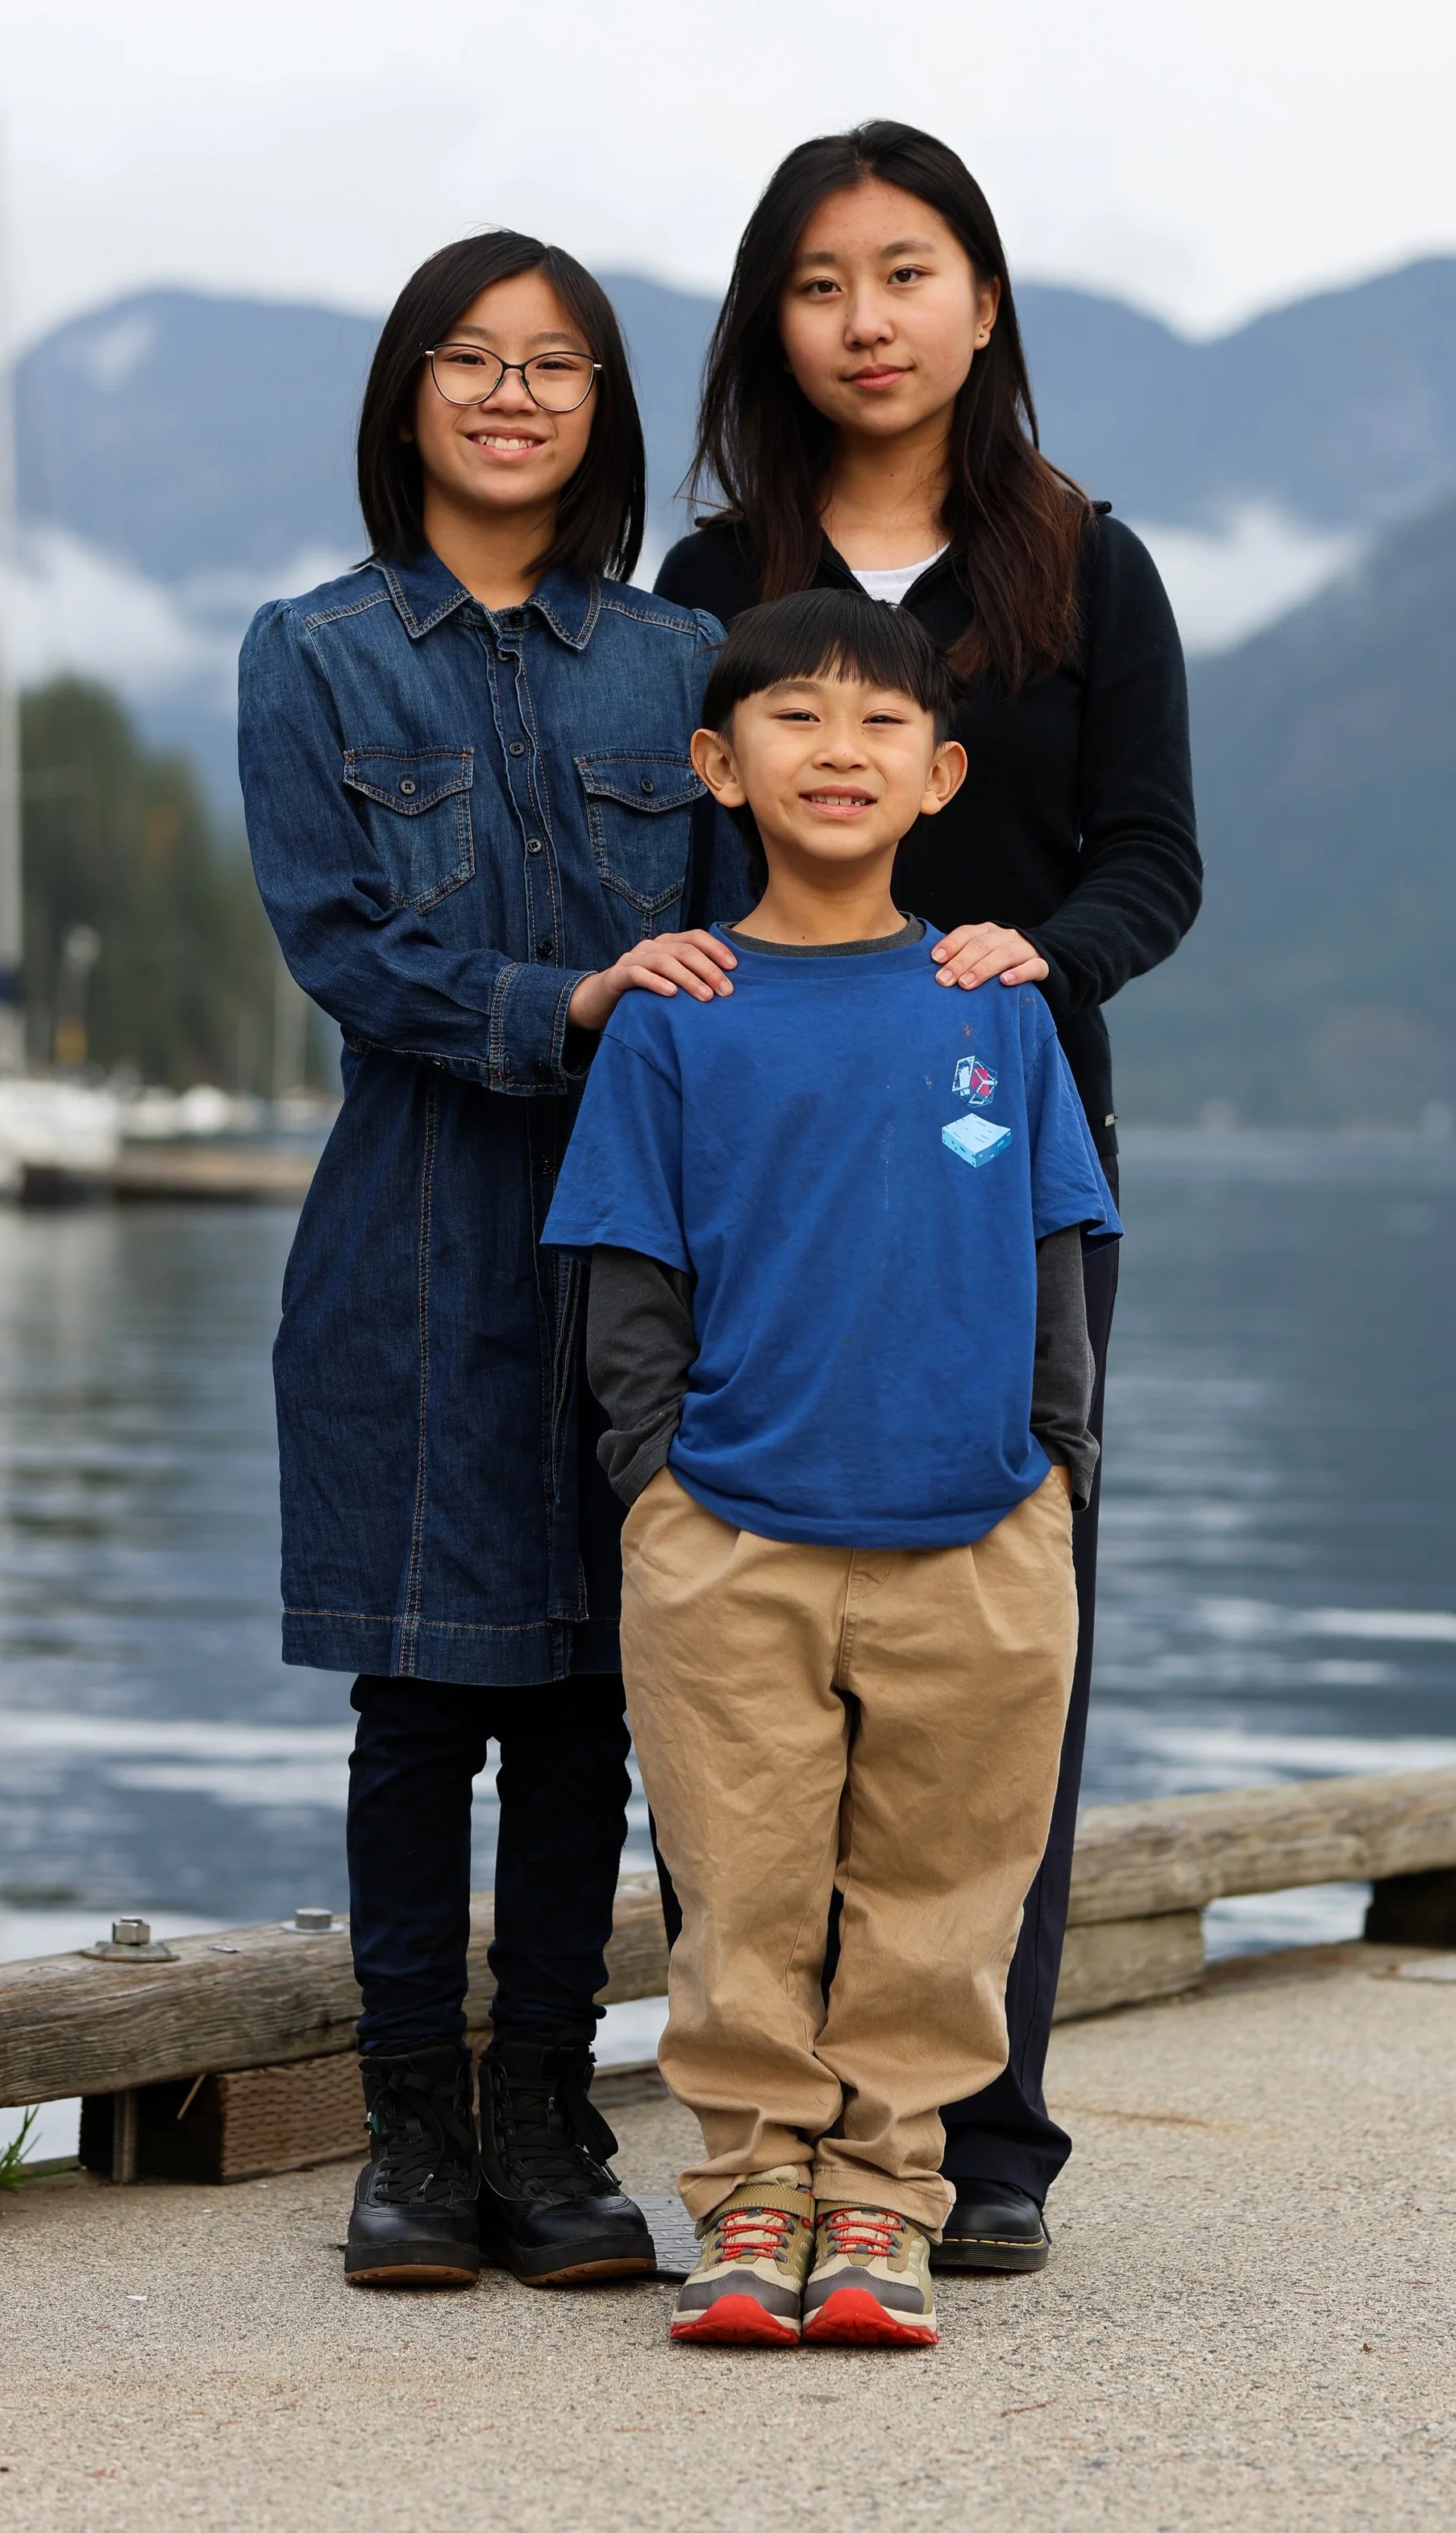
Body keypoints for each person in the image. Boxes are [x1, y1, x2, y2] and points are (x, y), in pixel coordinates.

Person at [655, 122, 1200, 2268]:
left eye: (902, 272)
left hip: (1009, 1181)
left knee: (1002, 1641)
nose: (862, 319)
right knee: (741, 1663)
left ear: (981, 299)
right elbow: (668, 875)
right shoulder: (703, 594)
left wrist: (1038, 956)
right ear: (767, 325)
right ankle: (778, 2135)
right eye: (815, 282)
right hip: (750, 1177)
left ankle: (985, 2136)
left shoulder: (1087, 564)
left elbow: (1152, 859)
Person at [239, 231, 748, 2291]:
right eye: (470, 359)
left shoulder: (669, 667)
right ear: (409, 397)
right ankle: (409, 2137)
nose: (513, 393)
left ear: (602, 410)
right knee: (414, 1700)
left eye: (555, 365)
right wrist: (567, 1004)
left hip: (632, 1242)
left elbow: (736, 939)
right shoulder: (313, 649)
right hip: (411, 1236)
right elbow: (343, 946)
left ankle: (551, 2118)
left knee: (587, 1704)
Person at [543, 589, 1120, 2347]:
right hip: (729, 1539)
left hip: (977, 1533)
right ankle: (749, 2194)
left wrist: (1052, 1476)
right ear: (717, 764)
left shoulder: (992, 1000)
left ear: (941, 774)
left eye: (881, 725)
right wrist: (659, 1485)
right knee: (743, 1885)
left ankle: (880, 2200)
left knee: (944, 1894)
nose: (839, 750)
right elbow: (625, 1279)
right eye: (794, 717)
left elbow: (1056, 1258)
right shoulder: (676, 1013)